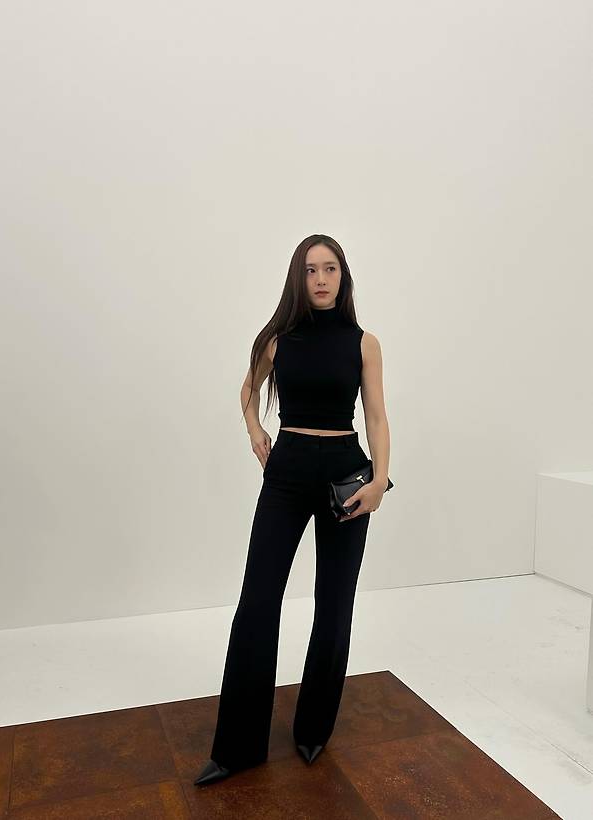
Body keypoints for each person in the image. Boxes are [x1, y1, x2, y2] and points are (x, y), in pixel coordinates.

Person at [194, 234, 392, 786]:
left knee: (335, 602)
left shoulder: (364, 343)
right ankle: (236, 749)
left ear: (343, 277)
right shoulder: (277, 341)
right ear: (297, 279)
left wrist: (379, 480)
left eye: (330, 269)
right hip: (286, 471)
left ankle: (313, 729)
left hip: (346, 476)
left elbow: (376, 416)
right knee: (258, 600)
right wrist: (255, 430)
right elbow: (248, 389)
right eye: (310, 270)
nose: (321, 279)